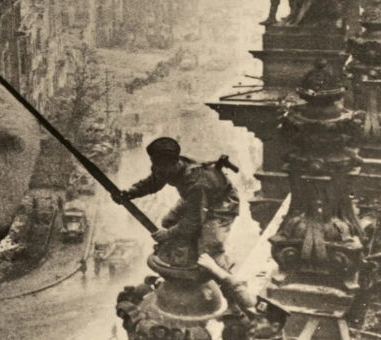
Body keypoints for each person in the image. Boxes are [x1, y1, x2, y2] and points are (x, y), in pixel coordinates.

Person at [113, 137, 239, 269]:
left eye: (162, 168)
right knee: (169, 221)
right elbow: (154, 182)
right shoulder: (163, 166)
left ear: (174, 163)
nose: (158, 170)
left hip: (221, 202)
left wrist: (168, 234)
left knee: (211, 245)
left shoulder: (195, 180)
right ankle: (189, 254)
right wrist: (130, 193)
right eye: (156, 165)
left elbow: (194, 220)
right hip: (194, 198)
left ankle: (224, 273)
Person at [196, 254, 287, 340]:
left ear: (275, 327)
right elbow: (240, 293)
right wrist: (215, 269)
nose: (252, 323)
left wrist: (214, 268)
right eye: (254, 319)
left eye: (259, 321)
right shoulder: (264, 334)